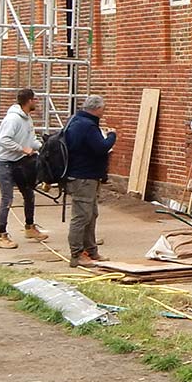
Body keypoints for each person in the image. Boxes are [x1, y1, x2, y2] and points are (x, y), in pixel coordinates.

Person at [0, 88, 48, 249]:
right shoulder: (13, 119)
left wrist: (43, 148)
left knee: (28, 193)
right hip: (4, 162)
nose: (36, 102)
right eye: (35, 100)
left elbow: (31, 140)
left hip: (18, 161)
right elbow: (3, 140)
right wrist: (22, 149)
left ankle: (30, 227)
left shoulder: (27, 119)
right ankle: (1, 235)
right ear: (29, 101)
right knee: (7, 198)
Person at [63, 94, 116, 265]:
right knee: (81, 216)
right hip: (83, 177)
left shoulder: (76, 121)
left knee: (91, 214)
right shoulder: (88, 126)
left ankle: (91, 251)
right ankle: (77, 254)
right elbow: (101, 148)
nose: (104, 111)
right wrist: (112, 136)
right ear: (97, 109)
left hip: (86, 176)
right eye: (103, 108)